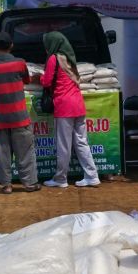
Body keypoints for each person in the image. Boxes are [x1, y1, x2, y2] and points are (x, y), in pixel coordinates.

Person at [41, 32, 100, 189]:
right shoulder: (69, 58)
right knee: (81, 142)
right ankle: (92, 176)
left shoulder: (54, 58)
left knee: (64, 145)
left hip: (64, 106)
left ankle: (61, 178)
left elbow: (46, 82)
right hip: (78, 105)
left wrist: (39, 77)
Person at [0, 32, 39, 193]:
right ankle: (29, 184)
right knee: (25, 151)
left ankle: (6, 185)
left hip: (0, 117)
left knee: (3, 152)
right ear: (11, 45)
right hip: (19, 116)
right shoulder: (20, 63)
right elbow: (26, 80)